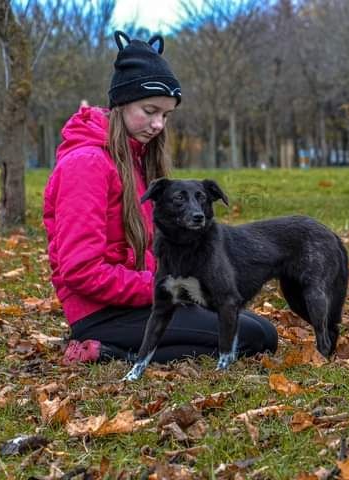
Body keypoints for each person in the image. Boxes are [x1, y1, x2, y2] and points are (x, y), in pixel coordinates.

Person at [43, 31, 278, 365]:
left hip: (137, 300)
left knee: (252, 324)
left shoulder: (136, 160)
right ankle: (105, 351)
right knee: (257, 337)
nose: (157, 124)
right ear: (121, 104)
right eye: (150, 110)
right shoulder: (87, 164)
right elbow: (81, 270)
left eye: (166, 115)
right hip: (103, 312)